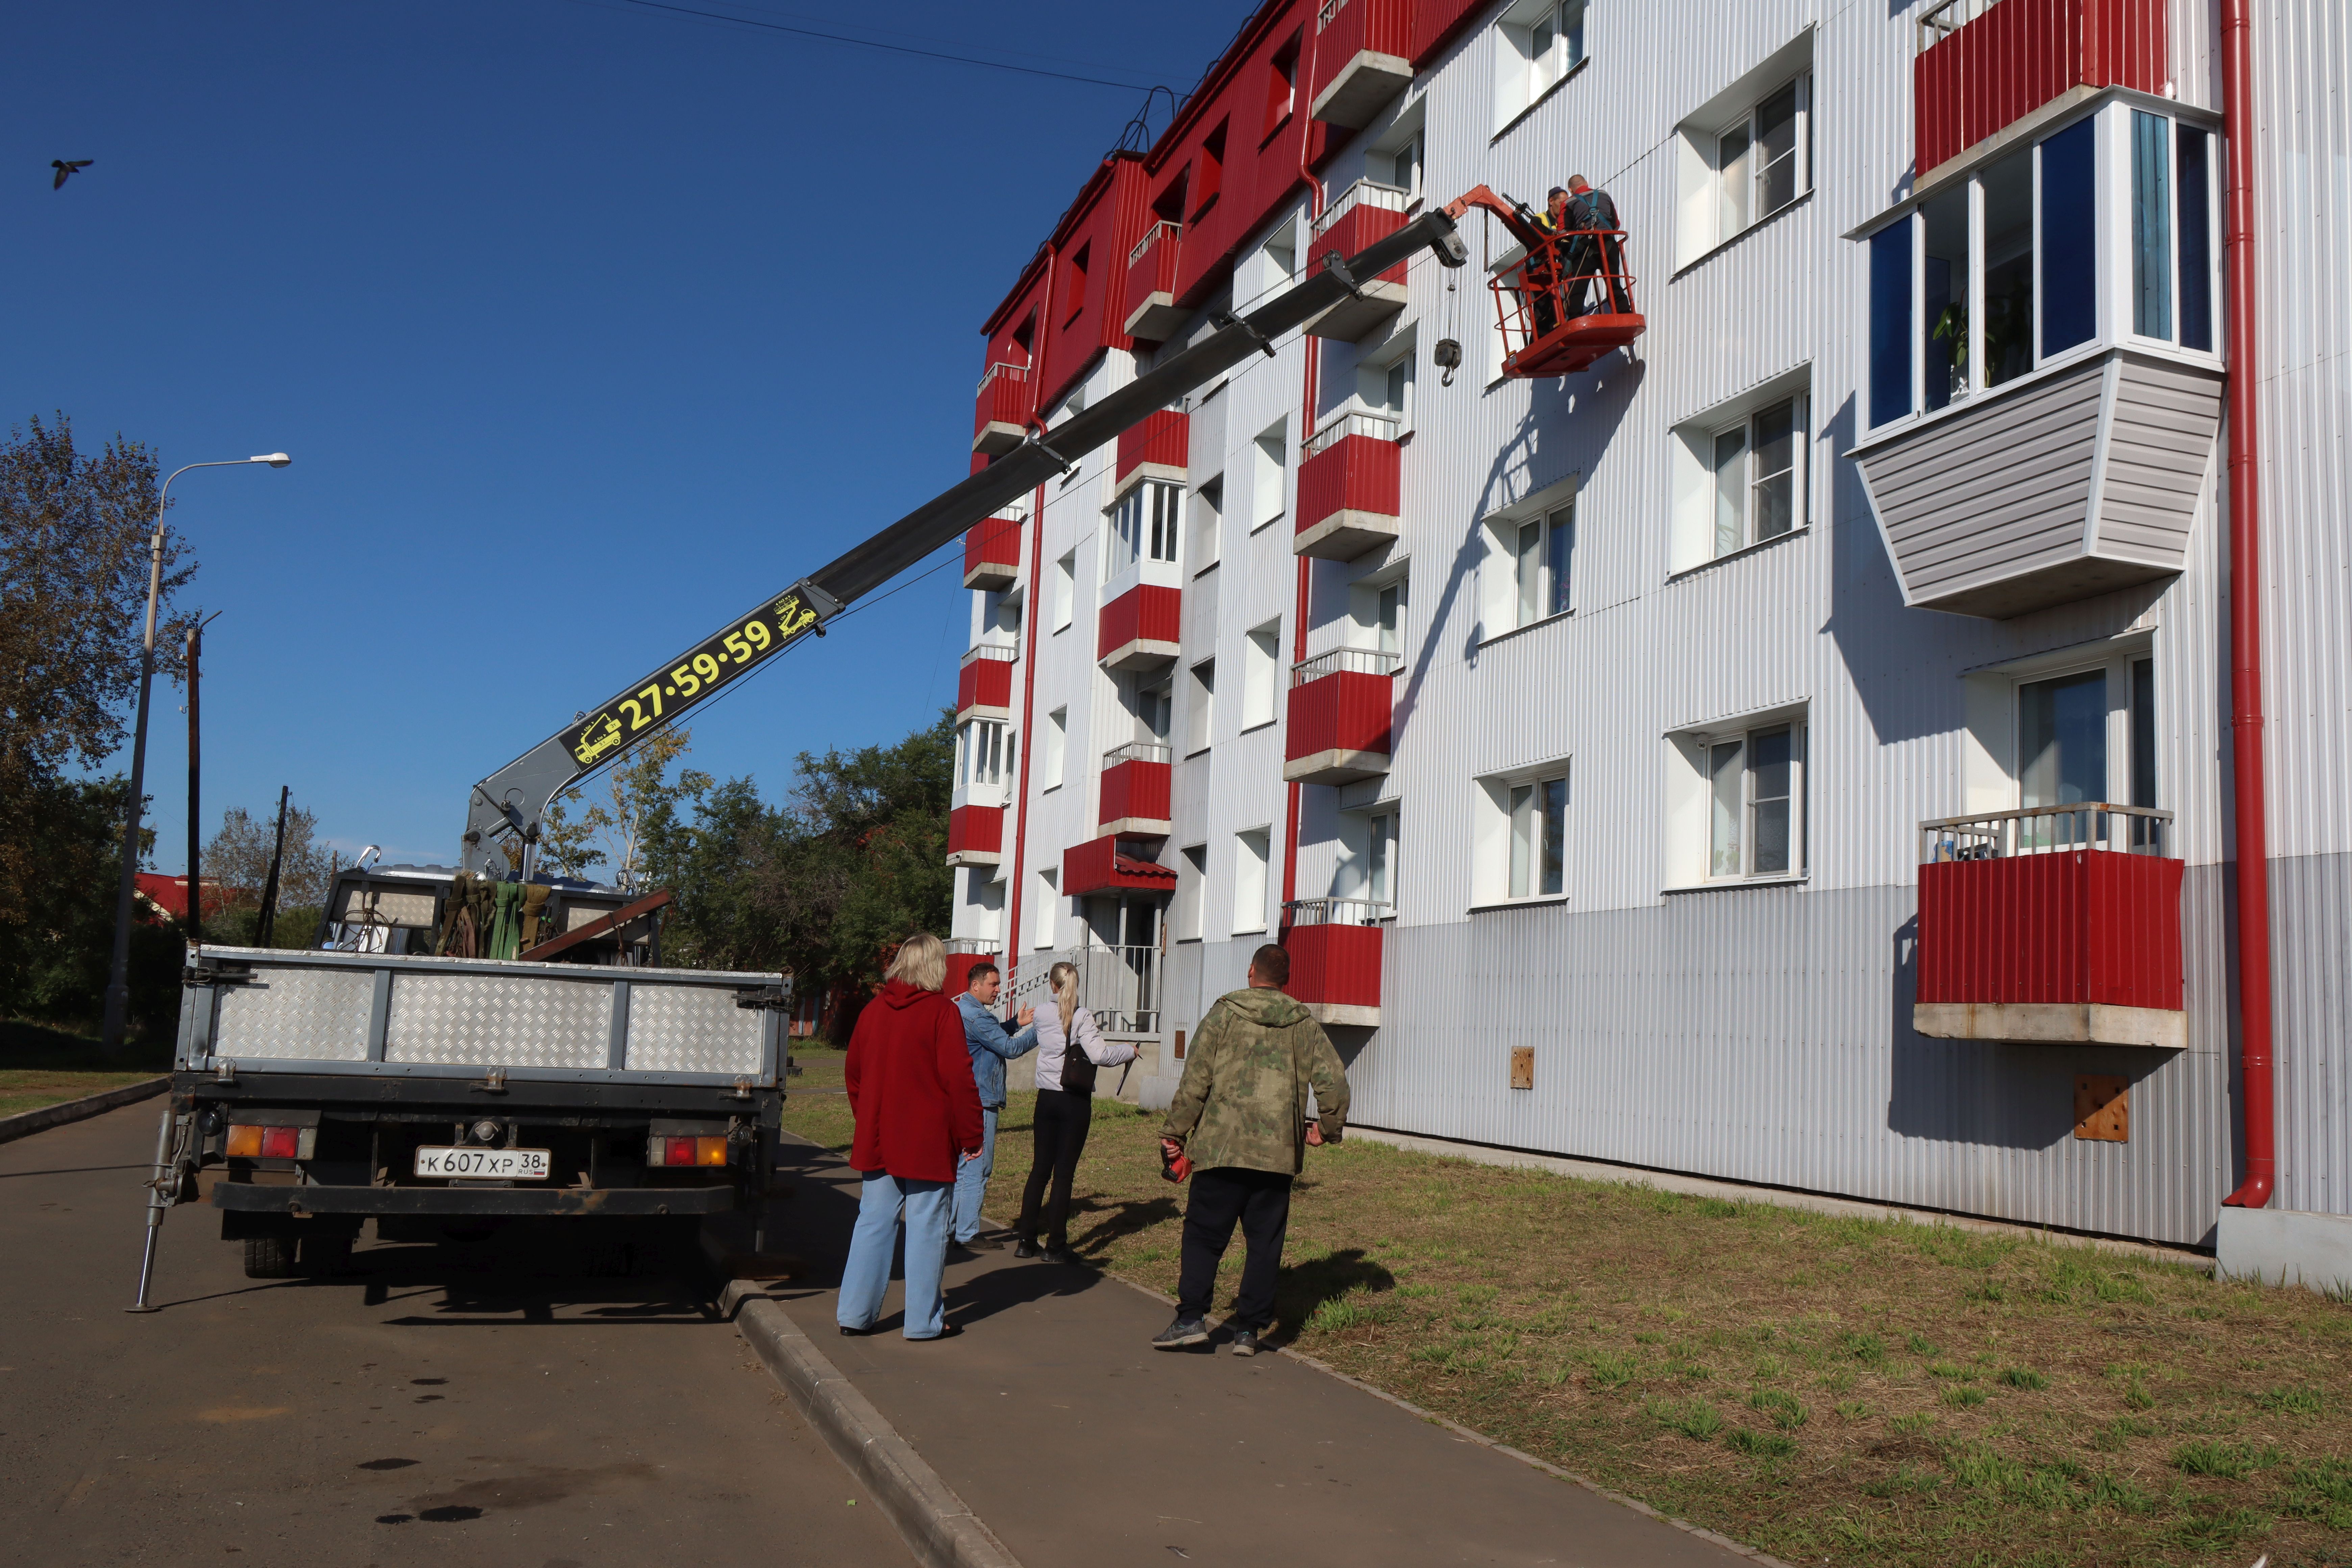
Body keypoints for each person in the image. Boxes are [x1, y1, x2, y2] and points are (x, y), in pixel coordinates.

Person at [1152, 942, 1349, 1357]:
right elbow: (1335, 1084)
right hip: (1276, 1156)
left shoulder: (1224, 1013)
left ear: (1250, 971)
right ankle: (1249, 1331)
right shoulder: (1304, 1023)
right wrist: (1326, 1129)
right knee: (1265, 1243)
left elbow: (1196, 1080)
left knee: (1205, 1236)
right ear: (1286, 980)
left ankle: (1191, 1319)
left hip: (1221, 1148)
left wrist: (1176, 1132)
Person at [837, 932, 983, 1341]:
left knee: (873, 1223)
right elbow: (959, 1079)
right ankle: (922, 1321)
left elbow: (854, 1076)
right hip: (927, 1140)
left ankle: (854, 1314)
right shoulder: (941, 1012)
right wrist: (972, 1134)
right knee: (927, 1227)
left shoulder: (872, 1012)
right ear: (936, 966)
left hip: (879, 1136)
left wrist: (868, 1118)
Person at [1013, 960, 1137, 1263]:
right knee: (1064, 1173)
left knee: (1040, 1170)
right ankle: (1056, 1246)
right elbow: (1100, 1055)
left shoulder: (1041, 1013)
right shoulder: (1082, 1016)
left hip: (1046, 1098)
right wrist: (1129, 1051)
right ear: (1075, 986)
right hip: (1073, 1100)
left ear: (1052, 986)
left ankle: (1026, 1241)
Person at [951, 961, 1037, 1251]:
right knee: (979, 1165)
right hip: (982, 1099)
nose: (999, 990)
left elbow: (988, 1037)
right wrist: (1042, 1031)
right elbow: (1010, 1048)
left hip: (967, 1097)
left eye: (999, 984)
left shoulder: (964, 1010)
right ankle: (967, 1232)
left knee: (964, 1166)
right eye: (993, 985)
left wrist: (1014, 1024)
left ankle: (952, 1228)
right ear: (976, 986)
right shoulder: (977, 1016)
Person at [1561, 174, 1631, 320]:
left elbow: (1563, 233)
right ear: (1587, 183)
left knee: (1579, 283)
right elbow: (1616, 223)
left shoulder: (1568, 202)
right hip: (1609, 244)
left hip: (1586, 248)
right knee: (1614, 281)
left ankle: (1574, 317)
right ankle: (1624, 311)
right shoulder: (1604, 195)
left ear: (1570, 189)